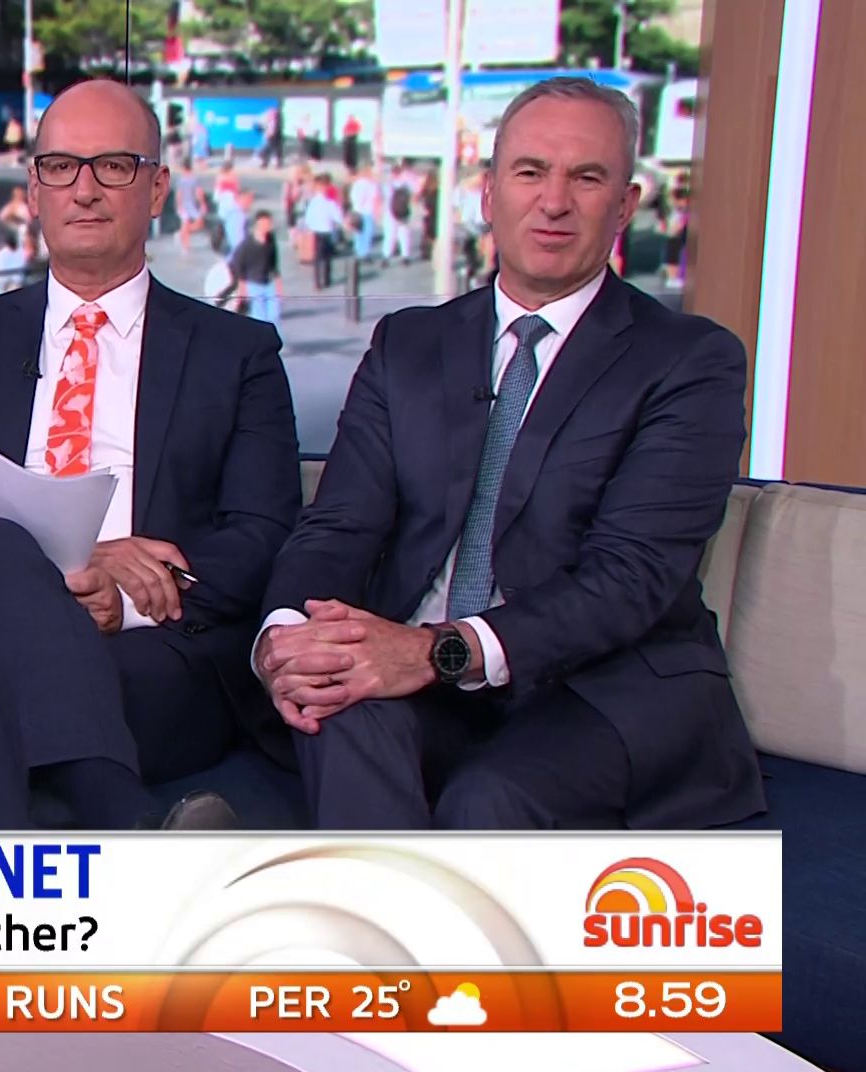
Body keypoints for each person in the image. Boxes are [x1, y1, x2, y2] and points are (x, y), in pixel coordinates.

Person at [253, 77, 763, 831]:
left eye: (586, 178)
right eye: (530, 172)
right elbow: (340, 523)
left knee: (486, 800)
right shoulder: (409, 343)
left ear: (625, 205)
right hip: (420, 671)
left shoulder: (689, 361)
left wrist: (438, 651)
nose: (553, 202)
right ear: (489, 194)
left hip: (599, 688)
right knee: (337, 710)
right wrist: (287, 636)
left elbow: (631, 577)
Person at [0, 79, 302, 830]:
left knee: (23, 688)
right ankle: (130, 822)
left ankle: (29, 861)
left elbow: (264, 534)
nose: (86, 188)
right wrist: (65, 565)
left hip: (149, 651)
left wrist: (128, 596)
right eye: (62, 166)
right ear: (34, 188)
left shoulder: (238, 353)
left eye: (115, 166)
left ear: (157, 188)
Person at [232, 210, 282, 325]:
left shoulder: (271, 239)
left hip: (269, 283)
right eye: (265, 223)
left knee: (274, 315)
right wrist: (242, 288)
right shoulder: (247, 244)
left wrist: (278, 284)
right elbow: (239, 265)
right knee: (259, 318)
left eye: (269, 223)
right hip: (253, 284)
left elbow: (274, 263)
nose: (268, 226)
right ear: (258, 224)